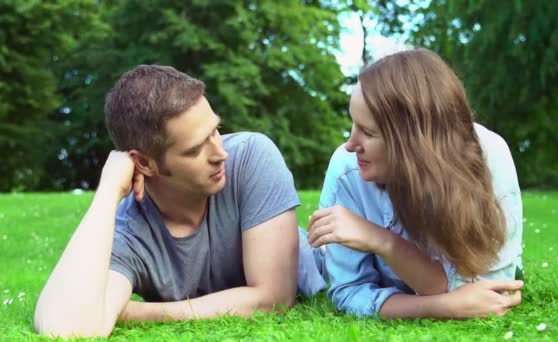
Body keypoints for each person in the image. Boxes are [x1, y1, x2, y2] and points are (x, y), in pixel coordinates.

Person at [33, 65, 324, 338]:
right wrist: (108, 192)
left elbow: (274, 298)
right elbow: (66, 328)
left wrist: (138, 313)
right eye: (197, 148)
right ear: (145, 164)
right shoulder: (130, 229)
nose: (219, 152)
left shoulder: (251, 157)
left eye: (216, 130)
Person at [306, 48, 524, 319]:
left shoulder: (489, 157)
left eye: (368, 132)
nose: (351, 144)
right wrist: (443, 307)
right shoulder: (346, 170)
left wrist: (382, 241)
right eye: (353, 124)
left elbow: (488, 294)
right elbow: (349, 291)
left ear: (413, 143)